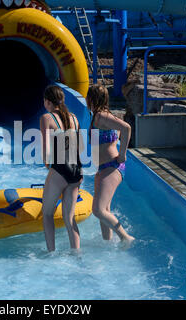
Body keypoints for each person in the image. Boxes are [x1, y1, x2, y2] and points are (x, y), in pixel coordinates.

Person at [87, 84, 135, 250]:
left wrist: (123, 154)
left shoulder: (101, 116)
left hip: (112, 166)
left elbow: (126, 128)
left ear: (90, 99)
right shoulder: (98, 117)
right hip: (104, 168)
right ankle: (107, 244)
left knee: (98, 210)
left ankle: (125, 237)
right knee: (105, 210)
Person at [40, 85, 83, 252]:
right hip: (76, 171)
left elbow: (46, 150)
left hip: (60, 169)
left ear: (48, 101)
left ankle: (51, 253)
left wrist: (48, 165)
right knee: (69, 217)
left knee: (48, 214)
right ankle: (77, 253)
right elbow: (79, 148)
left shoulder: (47, 118)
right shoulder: (74, 118)